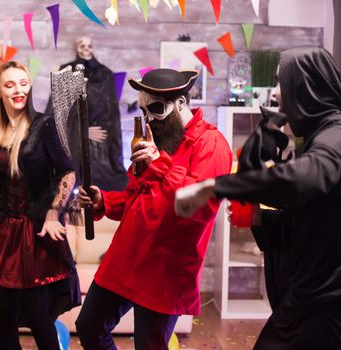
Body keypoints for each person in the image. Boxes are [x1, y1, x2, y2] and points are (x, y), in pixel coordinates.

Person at [174, 47, 341, 349]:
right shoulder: (326, 134)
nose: (274, 93)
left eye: (279, 82)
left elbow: (298, 181)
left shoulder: (336, 142)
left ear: (302, 85)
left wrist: (214, 187)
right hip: (318, 298)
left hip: (330, 306)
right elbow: (320, 217)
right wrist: (263, 220)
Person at [75, 68, 232, 349]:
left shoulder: (212, 144)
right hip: (126, 258)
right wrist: (104, 201)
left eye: (156, 110)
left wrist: (160, 164)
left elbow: (199, 207)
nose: (149, 119)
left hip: (165, 270)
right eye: (144, 110)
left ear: (182, 103)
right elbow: (135, 197)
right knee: (89, 326)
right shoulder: (156, 140)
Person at [0, 61, 81, 350]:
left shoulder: (44, 125)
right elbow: (3, 190)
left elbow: (68, 172)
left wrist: (53, 215)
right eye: (10, 84)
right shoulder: (0, 132)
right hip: (4, 234)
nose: (18, 90)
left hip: (35, 234)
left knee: (40, 317)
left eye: (23, 83)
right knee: (3, 318)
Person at [51, 36, 128, 191]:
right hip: (73, 141)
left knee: (108, 178)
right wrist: (82, 131)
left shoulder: (105, 74)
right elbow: (59, 112)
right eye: (82, 45)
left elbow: (110, 115)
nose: (86, 48)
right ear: (76, 49)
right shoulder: (66, 73)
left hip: (99, 145)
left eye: (89, 45)